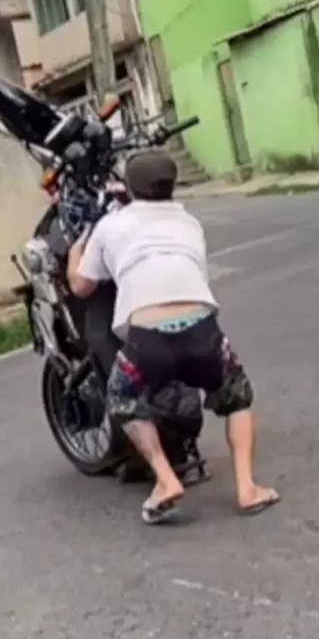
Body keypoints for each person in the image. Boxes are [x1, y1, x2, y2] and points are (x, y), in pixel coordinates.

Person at [67, 149, 279, 525]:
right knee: (237, 397)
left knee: (122, 400)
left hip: (148, 341)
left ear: (128, 189)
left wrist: (75, 253)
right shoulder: (189, 222)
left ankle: (165, 480)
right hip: (202, 331)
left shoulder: (110, 225)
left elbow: (82, 287)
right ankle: (247, 488)